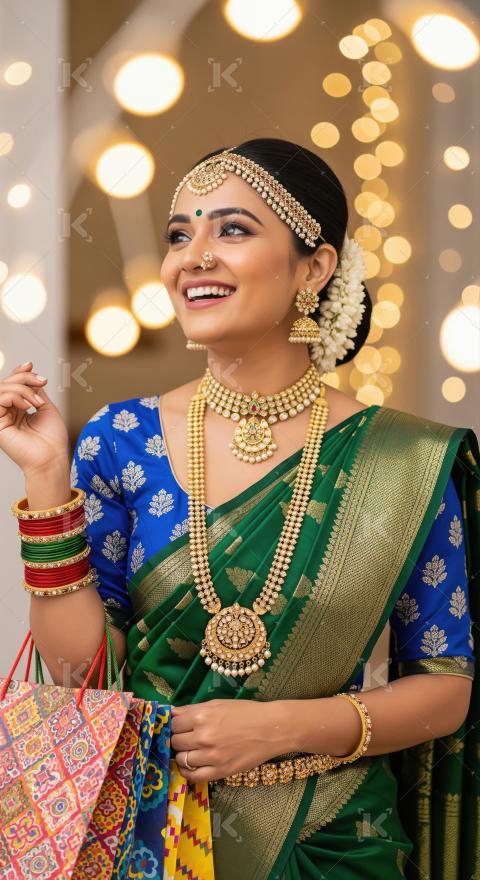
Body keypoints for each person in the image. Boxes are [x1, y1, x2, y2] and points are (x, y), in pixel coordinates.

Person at [1, 138, 479, 879]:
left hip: (335, 844)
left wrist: (282, 726)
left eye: (231, 229)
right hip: (147, 842)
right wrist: (44, 479)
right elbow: (74, 677)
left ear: (314, 268)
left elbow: (446, 687)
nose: (192, 257)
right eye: (178, 235)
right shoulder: (120, 440)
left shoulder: (403, 460)